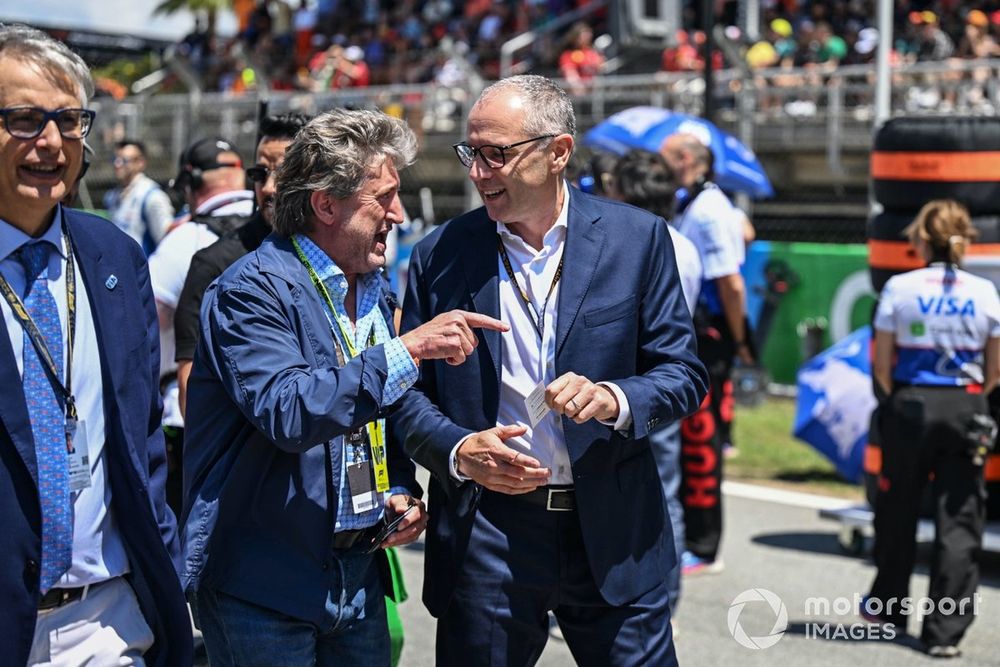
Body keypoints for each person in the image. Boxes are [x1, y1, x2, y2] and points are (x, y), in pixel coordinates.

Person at [391, 75, 708, 666]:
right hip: (490, 529)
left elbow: (683, 372)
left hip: (612, 526)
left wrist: (616, 398)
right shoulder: (442, 252)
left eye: (497, 155)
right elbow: (406, 392)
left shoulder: (636, 239)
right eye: (471, 153)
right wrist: (459, 450)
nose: (478, 171)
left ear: (557, 152)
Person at [182, 108, 507, 666]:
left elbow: (378, 405)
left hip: (358, 571)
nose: (399, 215)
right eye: (382, 198)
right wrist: (410, 348)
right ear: (325, 204)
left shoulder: (372, 286)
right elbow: (290, 412)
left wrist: (399, 483)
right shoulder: (250, 291)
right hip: (262, 584)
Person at [0, 24, 191, 666]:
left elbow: (139, 442)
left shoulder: (115, 254)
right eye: (24, 119)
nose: (50, 142)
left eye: (69, 120)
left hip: (110, 623)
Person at [864, 199, 1000, 659]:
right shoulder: (985, 292)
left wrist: (898, 398)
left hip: (911, 406)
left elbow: (881, 365)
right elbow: (995, 369)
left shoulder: (899, 288)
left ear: (921, 240)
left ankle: (887, 607)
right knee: (960, 518)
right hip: (968, 408)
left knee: (897, 507)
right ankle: (944, 633)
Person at [610, 149, 702, 615]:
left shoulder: (632, 243)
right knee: (665, 489)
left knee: (635, 490)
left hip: (633, 382)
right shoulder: (684, 245)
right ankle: (663, 600)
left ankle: (640, 597)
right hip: (664, 384)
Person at [174, 112, 311, 422]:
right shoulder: (215, 266)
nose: (269, 188)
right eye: (261, 174)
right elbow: (192, 398)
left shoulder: (344, 258)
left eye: (285, 173)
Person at [661, 131, 752, 575]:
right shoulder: (694, 203)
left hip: (709, 337)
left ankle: (703, 541)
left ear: (685, 159)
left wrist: (738, 342)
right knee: (688, 438)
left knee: (701, 440)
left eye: (665, 159)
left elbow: (730, 284)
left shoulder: (711, 209)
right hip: (696, 332)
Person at [150, 135, 254, 513]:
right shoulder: (291, 234)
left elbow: (147, 325)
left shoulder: (184, 240)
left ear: (193, 184)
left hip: (193, 421)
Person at [103, 139, 175, 255]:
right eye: (115, 159)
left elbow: (167, 243)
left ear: (140, 163)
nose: (117, 164)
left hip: (144, 270)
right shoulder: (112, 196)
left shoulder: (152, 196)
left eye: (124, 160)